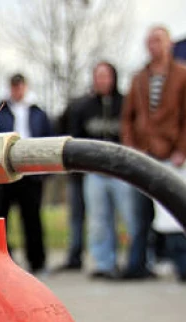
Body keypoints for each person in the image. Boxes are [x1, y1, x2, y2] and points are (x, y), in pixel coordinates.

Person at [121, 25, 186, 279]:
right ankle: (137, 264)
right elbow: (128, 118)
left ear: (169, 43)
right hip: (143, 154)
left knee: (175, 212)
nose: (154, 45)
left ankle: (184, 266)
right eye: (150, 40)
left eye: (159, 40)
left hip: (172, 155)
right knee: (140, 214)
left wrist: (182, 151)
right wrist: (130, 147)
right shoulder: (138, 78)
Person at [68, 62, 134, 280]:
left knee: (131, 217)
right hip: (94, 172)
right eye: (98, 76)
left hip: (123, 171)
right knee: (98, 220)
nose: (101, 80)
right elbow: (74, 137)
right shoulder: (84, 107)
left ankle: (138, 261)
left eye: (105, 76)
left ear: (113, 78)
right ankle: (104, 263)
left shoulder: (125, 104)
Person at [0, 74, 53, 274]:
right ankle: (2, 260)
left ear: (25, 87)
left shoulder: (38, 112)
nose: (17, 90)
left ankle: (37, 261)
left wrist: (45, 171)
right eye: (14, 87)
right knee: (0, 217)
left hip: (31, 173)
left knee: (32, 219)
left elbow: (48, 138)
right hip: (4, 173)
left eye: (20, 86)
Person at [55, 97, 88, 272]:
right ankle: (75, 254)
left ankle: (77, 255)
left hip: (83, 172)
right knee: (76, 217)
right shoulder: (73, 111)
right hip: (76, 174)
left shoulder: (82, 108)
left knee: (87, 218)